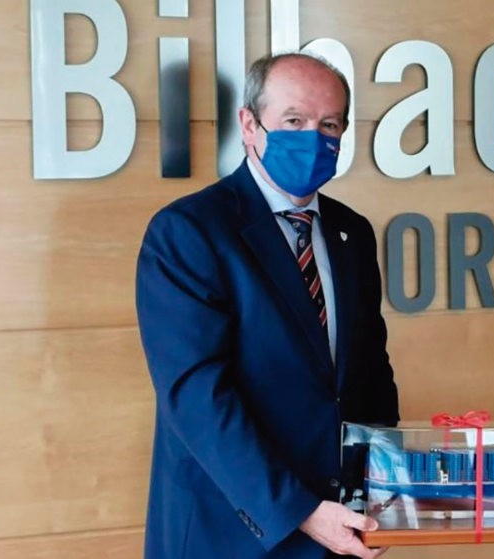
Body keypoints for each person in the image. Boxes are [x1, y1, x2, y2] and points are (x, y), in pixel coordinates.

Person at [136, 52, 399, 559]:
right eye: (294, 121)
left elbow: (370, 374)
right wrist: (301, 511)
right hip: (232, 532)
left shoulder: (353, 232)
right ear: (249, 125)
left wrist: (381, 488)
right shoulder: (188, 231)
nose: (313, 139)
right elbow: (198, 396)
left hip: (342, 527)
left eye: (329, 125)